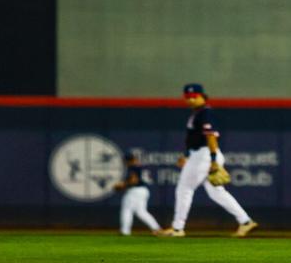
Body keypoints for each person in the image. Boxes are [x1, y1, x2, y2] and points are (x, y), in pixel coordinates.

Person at [159, 83, 258, 238]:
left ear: (202, 96)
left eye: (194, 96)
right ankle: (245, 221)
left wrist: (213, 160)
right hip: (200, 155)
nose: (190, 100)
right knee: (217, 193)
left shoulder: (205, 113)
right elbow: (193, 138)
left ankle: (177, 228)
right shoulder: (197, 113)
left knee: (184, 188)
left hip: (205, 155)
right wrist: (186, 155)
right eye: (187, 97)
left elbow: (210, 136)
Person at [111, 152, 162, 235]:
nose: (124, 163)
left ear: (128, 161)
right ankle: (156, 228)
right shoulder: (139, 166)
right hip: (143, 190)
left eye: (125, 161)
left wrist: (122, 185)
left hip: (135, 191)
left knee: (127, 210)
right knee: (141, 212)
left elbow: (134, 180)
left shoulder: (133, 167)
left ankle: (125, 231)